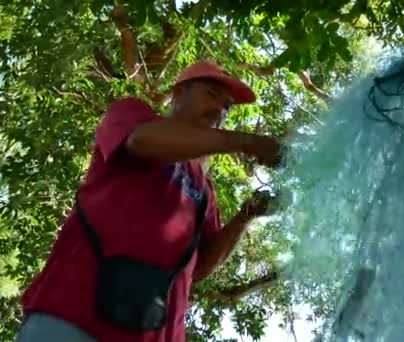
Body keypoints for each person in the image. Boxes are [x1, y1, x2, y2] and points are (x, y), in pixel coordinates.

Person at [16, 60, 283, 342]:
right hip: (73, 319)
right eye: (212, 94)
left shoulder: (204, 190)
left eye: (227, 107)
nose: (220, 109)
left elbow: (200, 267)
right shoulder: (133, 115)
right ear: (179, 92)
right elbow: (140, 141)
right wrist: (246, 142)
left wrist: (247, 214)